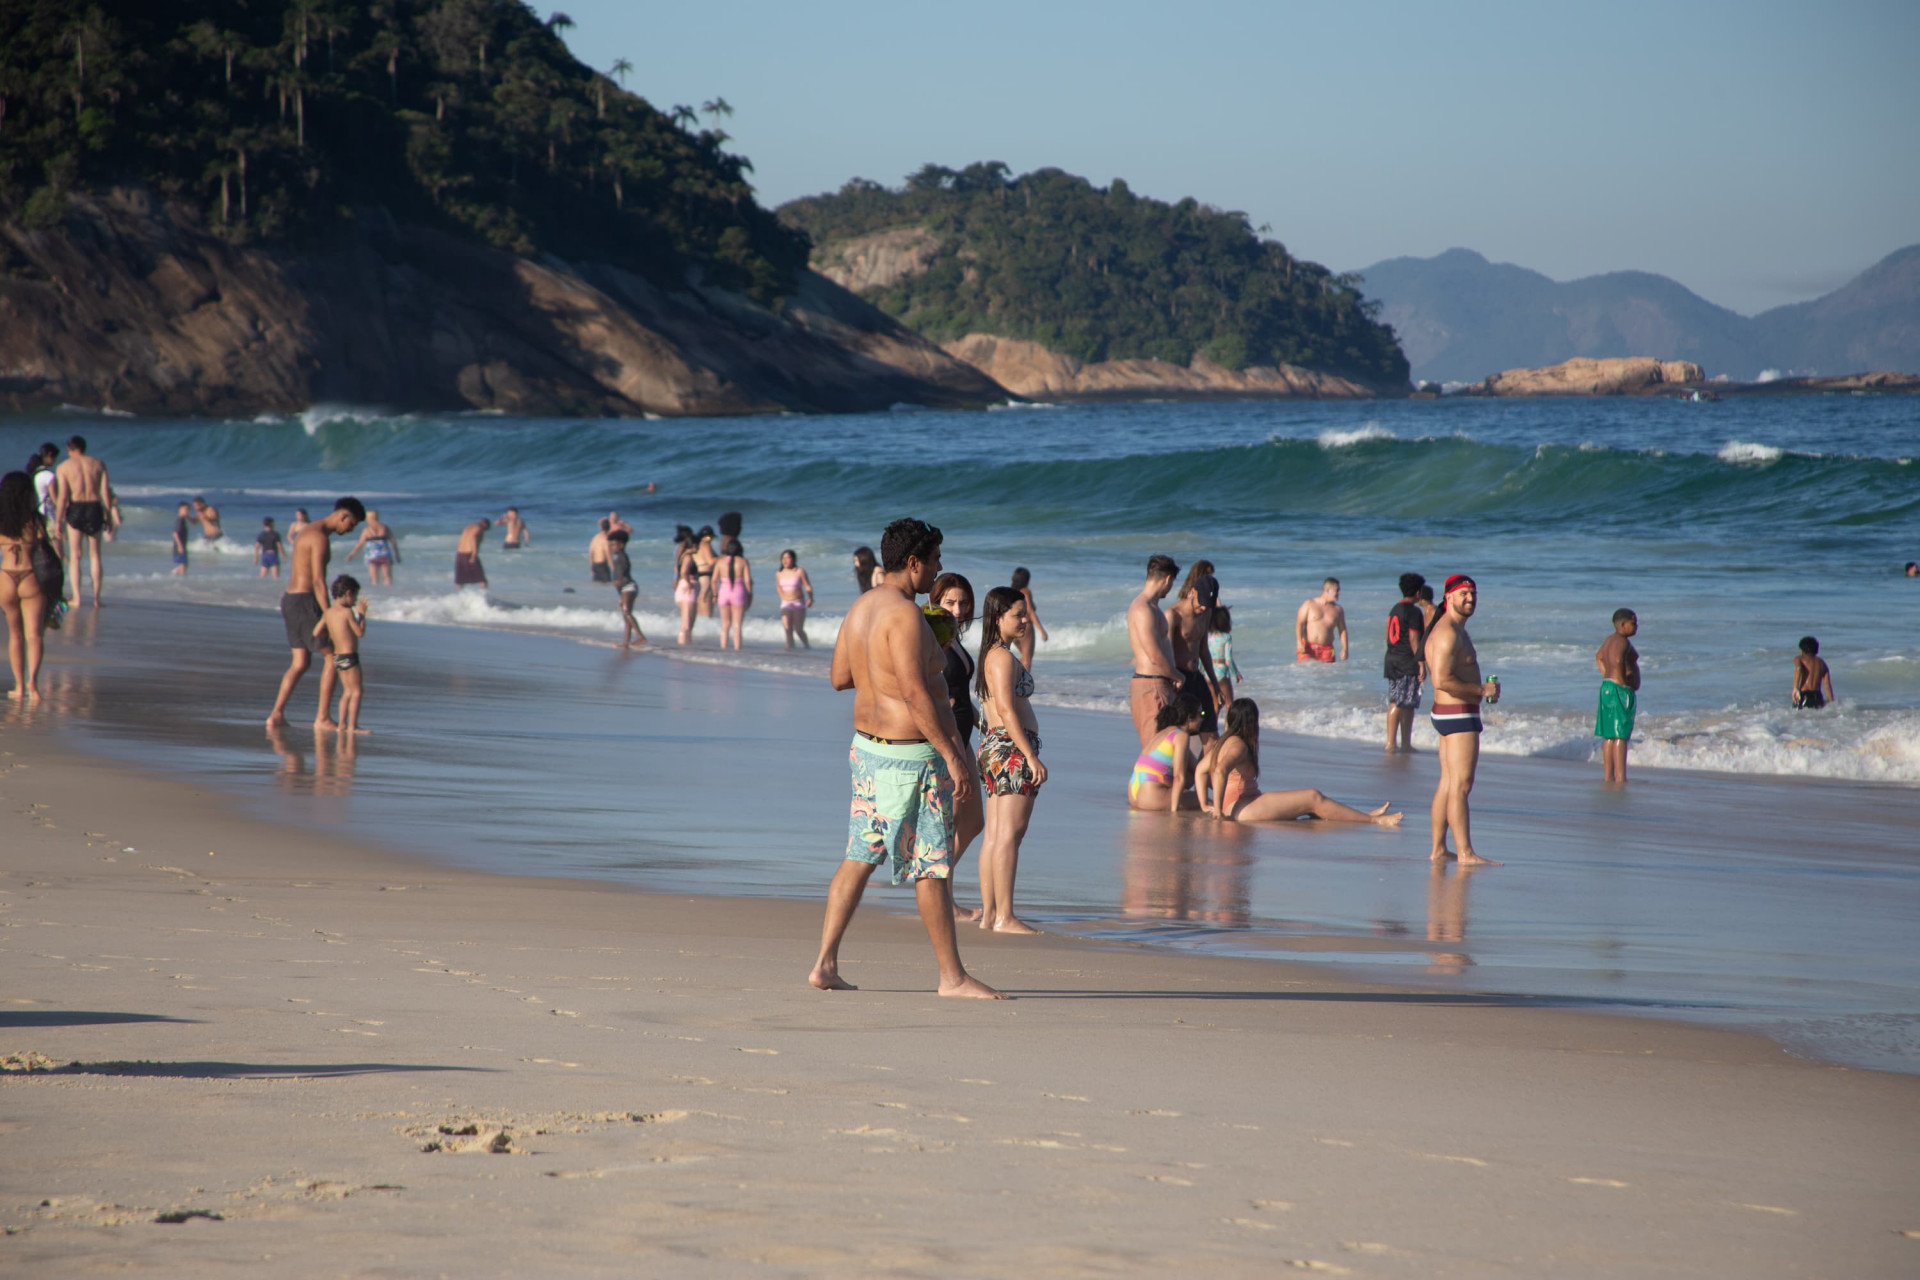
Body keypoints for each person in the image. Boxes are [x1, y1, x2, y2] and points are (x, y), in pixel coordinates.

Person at [811, 517, 1001, 999]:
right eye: (935, 560)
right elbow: (918, 697)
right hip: (911, 757)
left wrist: (885, 664)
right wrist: (955, 758)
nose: (938, 570)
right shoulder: (906, 616)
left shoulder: (862, 607)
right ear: (913, 562)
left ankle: (825, 964)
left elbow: (839, 676)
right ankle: (952, 978)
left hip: (867, 750)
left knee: (859, 855)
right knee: (931, 865)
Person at [1199, 699, 1402, 826]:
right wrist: (1216, 811)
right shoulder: (1239, 746)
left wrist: (1204, 804)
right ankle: (1372, 820)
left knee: (1309, 807)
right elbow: (1220, 771)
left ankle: (1361, 816)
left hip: (1241, 805)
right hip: (1242, 809)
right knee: (1312, 797)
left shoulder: (1225, 741)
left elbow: (1201, 770)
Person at [975, 585, 1046, 934]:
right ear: (998, 617)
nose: (1024, 619)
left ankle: (991, 915)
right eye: (1018, 614)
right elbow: (1005, 708)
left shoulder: (992, 653)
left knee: (996, 835)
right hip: (1011, 749)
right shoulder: (1001, 657)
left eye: (1025, 613)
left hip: (995, 746)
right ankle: (1004, 916)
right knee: (1009, 835)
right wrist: (1030, 755)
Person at [267, 497, 365, 728]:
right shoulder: (319, 538)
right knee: (333, 658)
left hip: (290, 600)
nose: (350, 529)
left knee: (300, 662)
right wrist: (329, 613)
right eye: (351, 524)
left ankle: (276, 714)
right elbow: (319, 582)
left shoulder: (307, 531)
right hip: (305, 601)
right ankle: (321, 718)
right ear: (343, 516)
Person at [1424, 574, 1500, 866]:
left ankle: (1439, 849)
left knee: (1448, 783)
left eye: (1473, 593)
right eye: (1464, 594)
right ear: (1449, 597)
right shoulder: (1447, 633)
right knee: (1461, 785)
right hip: (1458, 715)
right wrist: (1481, 690)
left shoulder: (1453, 629)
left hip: (1449, 713)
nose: (1470, 598)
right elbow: (1442, 680)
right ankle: (1465, 853)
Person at [0, 471, 54, 701]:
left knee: (15, 635)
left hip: (6, 576)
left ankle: (19, 686)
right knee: (34, 635)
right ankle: (33, 682)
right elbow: (47, 547)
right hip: (30, 576)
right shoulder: (36, 521)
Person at [1127, 554, 1182, 747]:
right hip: (1152, 687)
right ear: (1167, 579)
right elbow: (1154, 656)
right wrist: (1178, 676)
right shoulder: (1144, 609)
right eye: (1172, 583)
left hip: (1156, 684)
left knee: (1165, 749)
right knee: (1155, 750)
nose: (1170, 589)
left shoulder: (1151, 608)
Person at [53, 435, 110, 607]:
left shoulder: (64, 467)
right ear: (83, 448)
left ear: (69, 449)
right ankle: (96, 599)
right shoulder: (98, 464)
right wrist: (108, 515)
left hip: (76, 508)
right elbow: (105, 493)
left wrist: (58, 521)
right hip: (94, 507)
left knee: (76, 556)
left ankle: (77, 598)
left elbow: (63, 497)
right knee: (95, 555)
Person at [1170, 562, 1222, 739]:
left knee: (1210, 730)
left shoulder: (1205, 613)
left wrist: (1215, 685)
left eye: (1207, 607)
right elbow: (1166, 651)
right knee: (1180, 734)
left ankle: (1202, 768)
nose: (1202, 610)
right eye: (1200, 605)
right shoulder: (1173, 615)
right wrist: (1173, 678)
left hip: (1196, 677)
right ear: (1192, 592)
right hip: (1178, 679)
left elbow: (1204, 650)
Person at [1128, 694, 1205, 811]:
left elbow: (1198, 770)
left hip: (1135, 792)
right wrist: (1174, 812)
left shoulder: (1165, 733)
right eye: (1201, 713)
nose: (1202, 718)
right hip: (1150, 795)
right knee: (1206, 801)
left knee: (1195, 782)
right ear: (1189, 717)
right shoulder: (1181, 736)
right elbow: (1179, 777)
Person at [315, 575, 370, 733]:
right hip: (350, 656)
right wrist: (361, 614)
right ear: (347, 593)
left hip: (337, 657)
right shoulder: (347, 612)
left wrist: (333, 635)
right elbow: (359, 633)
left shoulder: (328, 612)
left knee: (347, 692)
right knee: (357, 691)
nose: (355, 601)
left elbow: (316, 631)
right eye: (355, 596)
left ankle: (342, 725)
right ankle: (352, 726)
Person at [1594, 608, 1641, 783]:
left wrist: (1608, 675)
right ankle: (1620, 777)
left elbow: (1599, 657)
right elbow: (1618, 660)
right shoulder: (1622, 642)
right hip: (1619, 690)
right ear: (1622, 624)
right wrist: (1622, 682)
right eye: (1633, 623)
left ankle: (1608, 776)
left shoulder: (1609, 640)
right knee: (1620, 734)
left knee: (1609, 735)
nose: (1636, 627)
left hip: (1607, 687)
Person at [931, 573, 977, 745]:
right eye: (950, 603)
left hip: (963, 735)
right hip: (948, 736)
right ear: (936, 603)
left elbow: (961, 696)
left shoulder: (953, 637)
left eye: (963, 603)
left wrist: (986, 727)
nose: (958, 610)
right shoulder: (933, 641)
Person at [1383, 573, 1427, 753]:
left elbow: (1387, 636)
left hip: (1392, 659)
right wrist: (1421, 662)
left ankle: (1405, 743)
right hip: (1406, 661)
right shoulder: (1414, 611)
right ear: (1418, 592)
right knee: (1399, 702)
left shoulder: (1395, 608)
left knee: (1407, 703)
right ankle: (1392, 743)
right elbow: (1414, 639)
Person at [1295, 577, 1347, 662]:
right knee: (1306, 671)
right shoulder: (1309, 604)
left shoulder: (1338, 610)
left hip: (1327, 650)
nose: (1339, 592)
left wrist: (1345, 649)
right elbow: (1299, 624)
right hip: (1307, 648)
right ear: (1327, 590)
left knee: (1328, 675)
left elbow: (1342, 630)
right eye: (1337, 590)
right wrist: (1299, 643)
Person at [608, 530, 645, 647]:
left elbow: (623, 570)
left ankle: (641, 637)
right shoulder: (618, 556)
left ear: (621, 545)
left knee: (627, 612)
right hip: (625, 589)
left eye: (613, 544)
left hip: (629, 587)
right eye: (610, 544)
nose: (611, 547)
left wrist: (619, 579)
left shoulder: (622, 556)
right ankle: (626, 643)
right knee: (625, 615)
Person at [1008, 567, 1050, 668]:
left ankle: (1015, 679)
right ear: (1026, 580)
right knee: (1027, 660)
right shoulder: (1025, 592)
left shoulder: (1011, 593)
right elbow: (1030, 612)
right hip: (1025, 627)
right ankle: (1023, 683)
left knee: (1023, 658)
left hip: (1013, 626)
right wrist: (1042, 631)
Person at [714, 536, 751, 650]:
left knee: (725, 625)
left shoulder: (720, 561)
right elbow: (748, 580)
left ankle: (723, 648)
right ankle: (737, 649)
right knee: (737, 625)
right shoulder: (743, 561)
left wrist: (715, 594)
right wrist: (749, 594)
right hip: (738, 591)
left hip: (724, 591)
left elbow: (714, 580)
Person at [345, 510, 398, 585]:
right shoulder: (384, 527)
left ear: (368, 518)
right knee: (387, 577)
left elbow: (360, 544)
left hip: (372, 556)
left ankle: (377, 595)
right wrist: (397, 555)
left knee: (374, 579)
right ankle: (389, 594)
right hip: (384, 554)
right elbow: (393, 541)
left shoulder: (366, 530)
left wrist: (351, 555)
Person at [777, 550, 814, 649]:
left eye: (787, 558)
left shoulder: (799, 571)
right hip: (785, 603)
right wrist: (782, 596)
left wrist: (810, 598)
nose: (785, 560)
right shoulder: (779, 573)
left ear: (793, 559)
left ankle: (807, 646)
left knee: (798, 629)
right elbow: (778, 587)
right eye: (783, 558)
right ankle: (790, 649)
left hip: (798, 603)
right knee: (787, 629)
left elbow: (807, 586)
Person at [1208, 606, 1242, 708]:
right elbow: (1228, 660)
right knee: (1229, 704)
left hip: (1208, 673)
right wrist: (1237, 674)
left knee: (1215, 705)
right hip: (1221, 673)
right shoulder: (1226, 637)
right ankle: (1228, 724)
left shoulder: (1209, 637)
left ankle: (1213, 724)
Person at [1793, 637, 1834, 710]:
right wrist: (1831, 702)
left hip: (1804, 696)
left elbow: (1799, 668)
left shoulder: (1799, 658)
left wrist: (1795, 688)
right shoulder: (1822, 663)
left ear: (1801, 649)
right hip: (1818, 697)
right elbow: (1827, 685)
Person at [454, 518, 490, 589]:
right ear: (485, 525)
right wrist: (474, 554)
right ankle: (484, 597)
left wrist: (459, 549)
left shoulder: (468, 527)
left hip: (460, 554)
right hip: (469, 554)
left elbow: (460, 540)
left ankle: (459, 597)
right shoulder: (479, 529)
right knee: (482, 579)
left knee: (460, 580)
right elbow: (474, 538)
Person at [692, 526, 718, 617]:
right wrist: (723, 559)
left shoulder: (695, 545)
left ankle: (701, 629)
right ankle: (708, 630)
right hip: (706, 577)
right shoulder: (705, 544)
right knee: (707, 608)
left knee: (699, 608)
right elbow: (710, 561)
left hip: (697, 577)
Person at [674, 556, 701, 645]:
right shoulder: (688, 557)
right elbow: (683, 571)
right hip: (688, 589)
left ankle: (686, 644)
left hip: (685, 587)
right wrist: (688, 583)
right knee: (687, 625)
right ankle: (683, 646)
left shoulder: (682, 555)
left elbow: (678, 570)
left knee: (687, 624)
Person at [589, 519, 614, 583]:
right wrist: (613, 567)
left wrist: (591, 568)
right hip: (602, 566)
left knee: (597, 587)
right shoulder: (606, 539)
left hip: (595, 565)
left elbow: (591, 553)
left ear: (601, 527)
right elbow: (608, 554)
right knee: (608, 585)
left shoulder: (595, 537)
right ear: (609, 528)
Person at [171, 502, 192, 577]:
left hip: (182, 545)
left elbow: (193, 522)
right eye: (186, 509)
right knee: (183, 564)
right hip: (179, 546)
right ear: (180, 510)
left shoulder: (183, 519)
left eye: (188, 509)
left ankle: (175, 572)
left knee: (185, 564)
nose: (188, 511)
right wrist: (180, 546)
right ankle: (182, 579)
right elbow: (176, 534)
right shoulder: (180, 520)